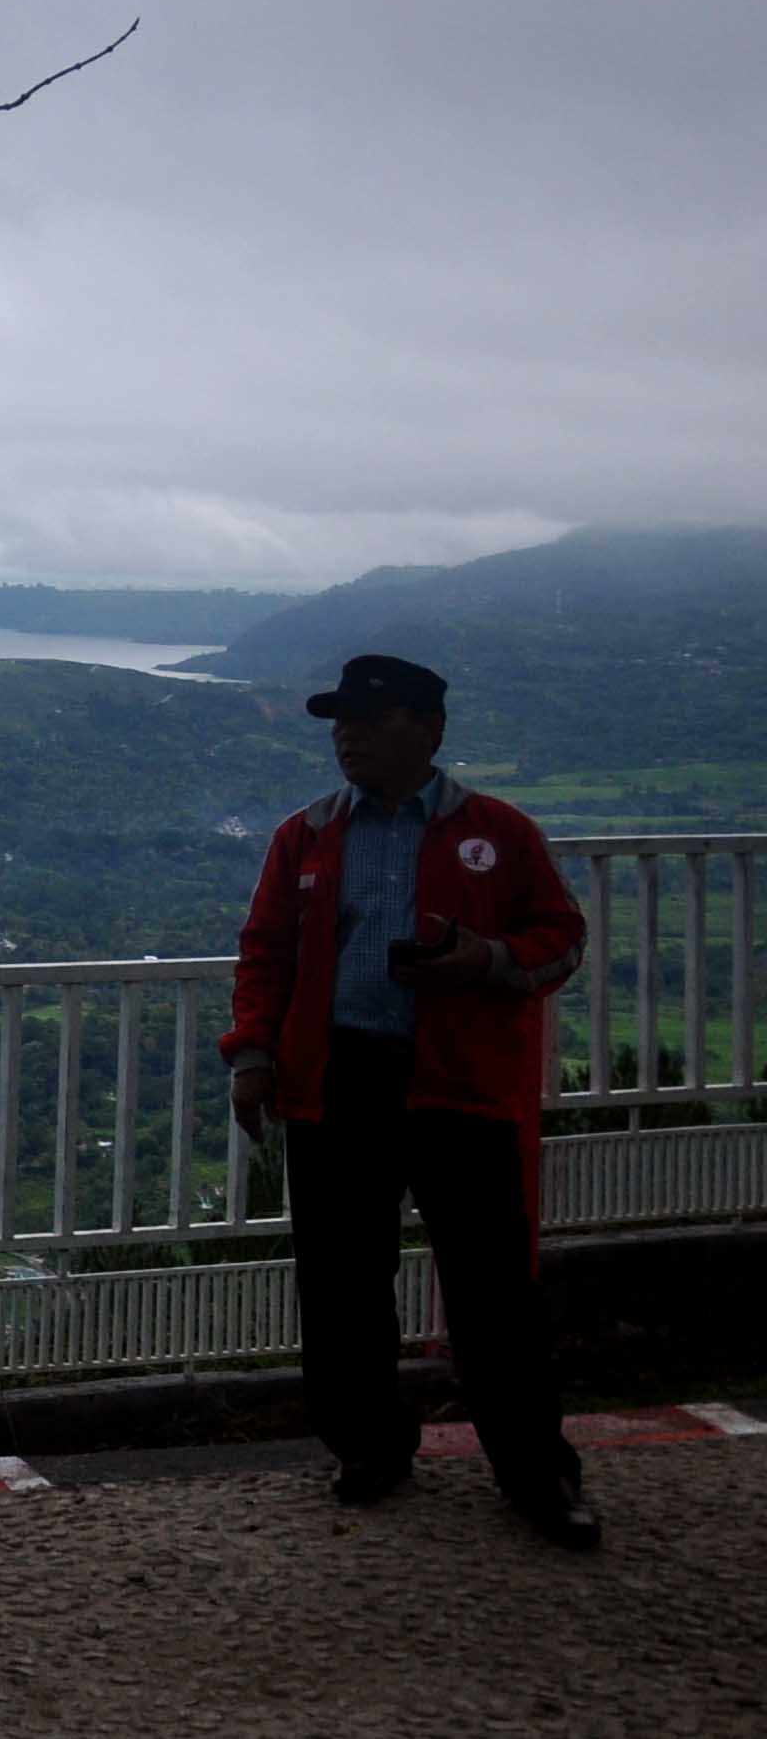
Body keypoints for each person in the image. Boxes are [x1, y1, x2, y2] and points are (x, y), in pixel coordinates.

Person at [222, 654, 598, 1550]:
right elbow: (265, 952)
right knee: (342, 1282)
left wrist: (485, 961)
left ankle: (536, 1472)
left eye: (368, 718)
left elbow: (562, 939)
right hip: (335, 1083)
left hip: (460, 1088)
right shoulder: (305, 834)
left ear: (427, 729)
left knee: (494, 1289)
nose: (345, 734)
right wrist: (252, 1056)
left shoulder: (500, 831)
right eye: (339, 719)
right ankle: (368, 1449)